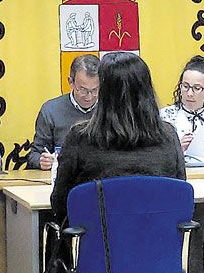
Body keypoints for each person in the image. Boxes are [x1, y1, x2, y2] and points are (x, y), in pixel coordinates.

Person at [50, 52, 186, 221]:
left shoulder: (80, 138)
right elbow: (179, 193)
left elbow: (60, 204)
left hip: (96, 243)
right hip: (158, 243)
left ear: (103, 93)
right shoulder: (169, 136)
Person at [27, 54, 100, 169]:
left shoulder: (111, 109)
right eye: (83, 90)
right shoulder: (50, 111)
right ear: (70, 82)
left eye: (95, 90)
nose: (89, 97)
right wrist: (42, 162)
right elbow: (34, 155)